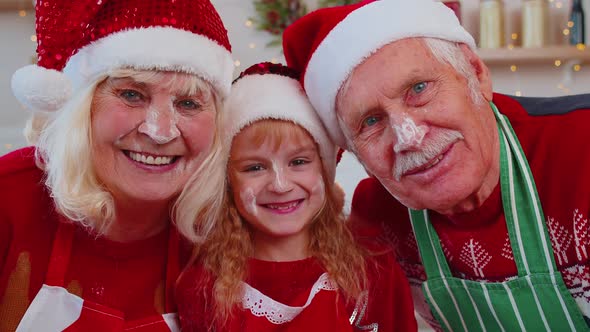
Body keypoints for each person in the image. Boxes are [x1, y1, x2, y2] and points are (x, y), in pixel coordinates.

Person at [282, 0, 590, 330]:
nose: (408, 137)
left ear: (476, 72)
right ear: (355, 152)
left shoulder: (581, 145)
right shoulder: (376, 219)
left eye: (419, 89)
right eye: (371, 121)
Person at [0, 0, 233, 330]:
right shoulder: (8, 195)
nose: (160, 131)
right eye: (132, 95)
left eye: (188, 103)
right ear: (83, 107)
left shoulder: (229, 231)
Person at [175, 63, 417, 331]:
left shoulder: (376, 276)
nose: (280, 185)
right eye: (255, 167)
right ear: (229, 181)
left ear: (324, 171)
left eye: (299, 162)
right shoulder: (203, 287)